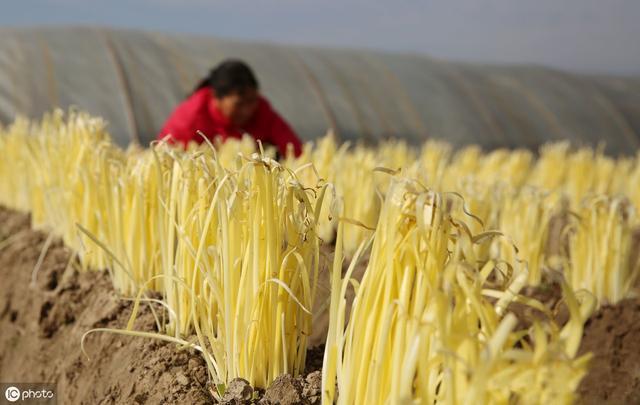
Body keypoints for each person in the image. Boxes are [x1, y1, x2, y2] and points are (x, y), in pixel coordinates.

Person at [157, 59, 302, 157]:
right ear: (216, 98)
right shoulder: (192, 115)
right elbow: (164, 154)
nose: (247, 110)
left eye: (252, 101)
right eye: (239, 104)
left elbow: (295, 151)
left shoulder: (262, 110)